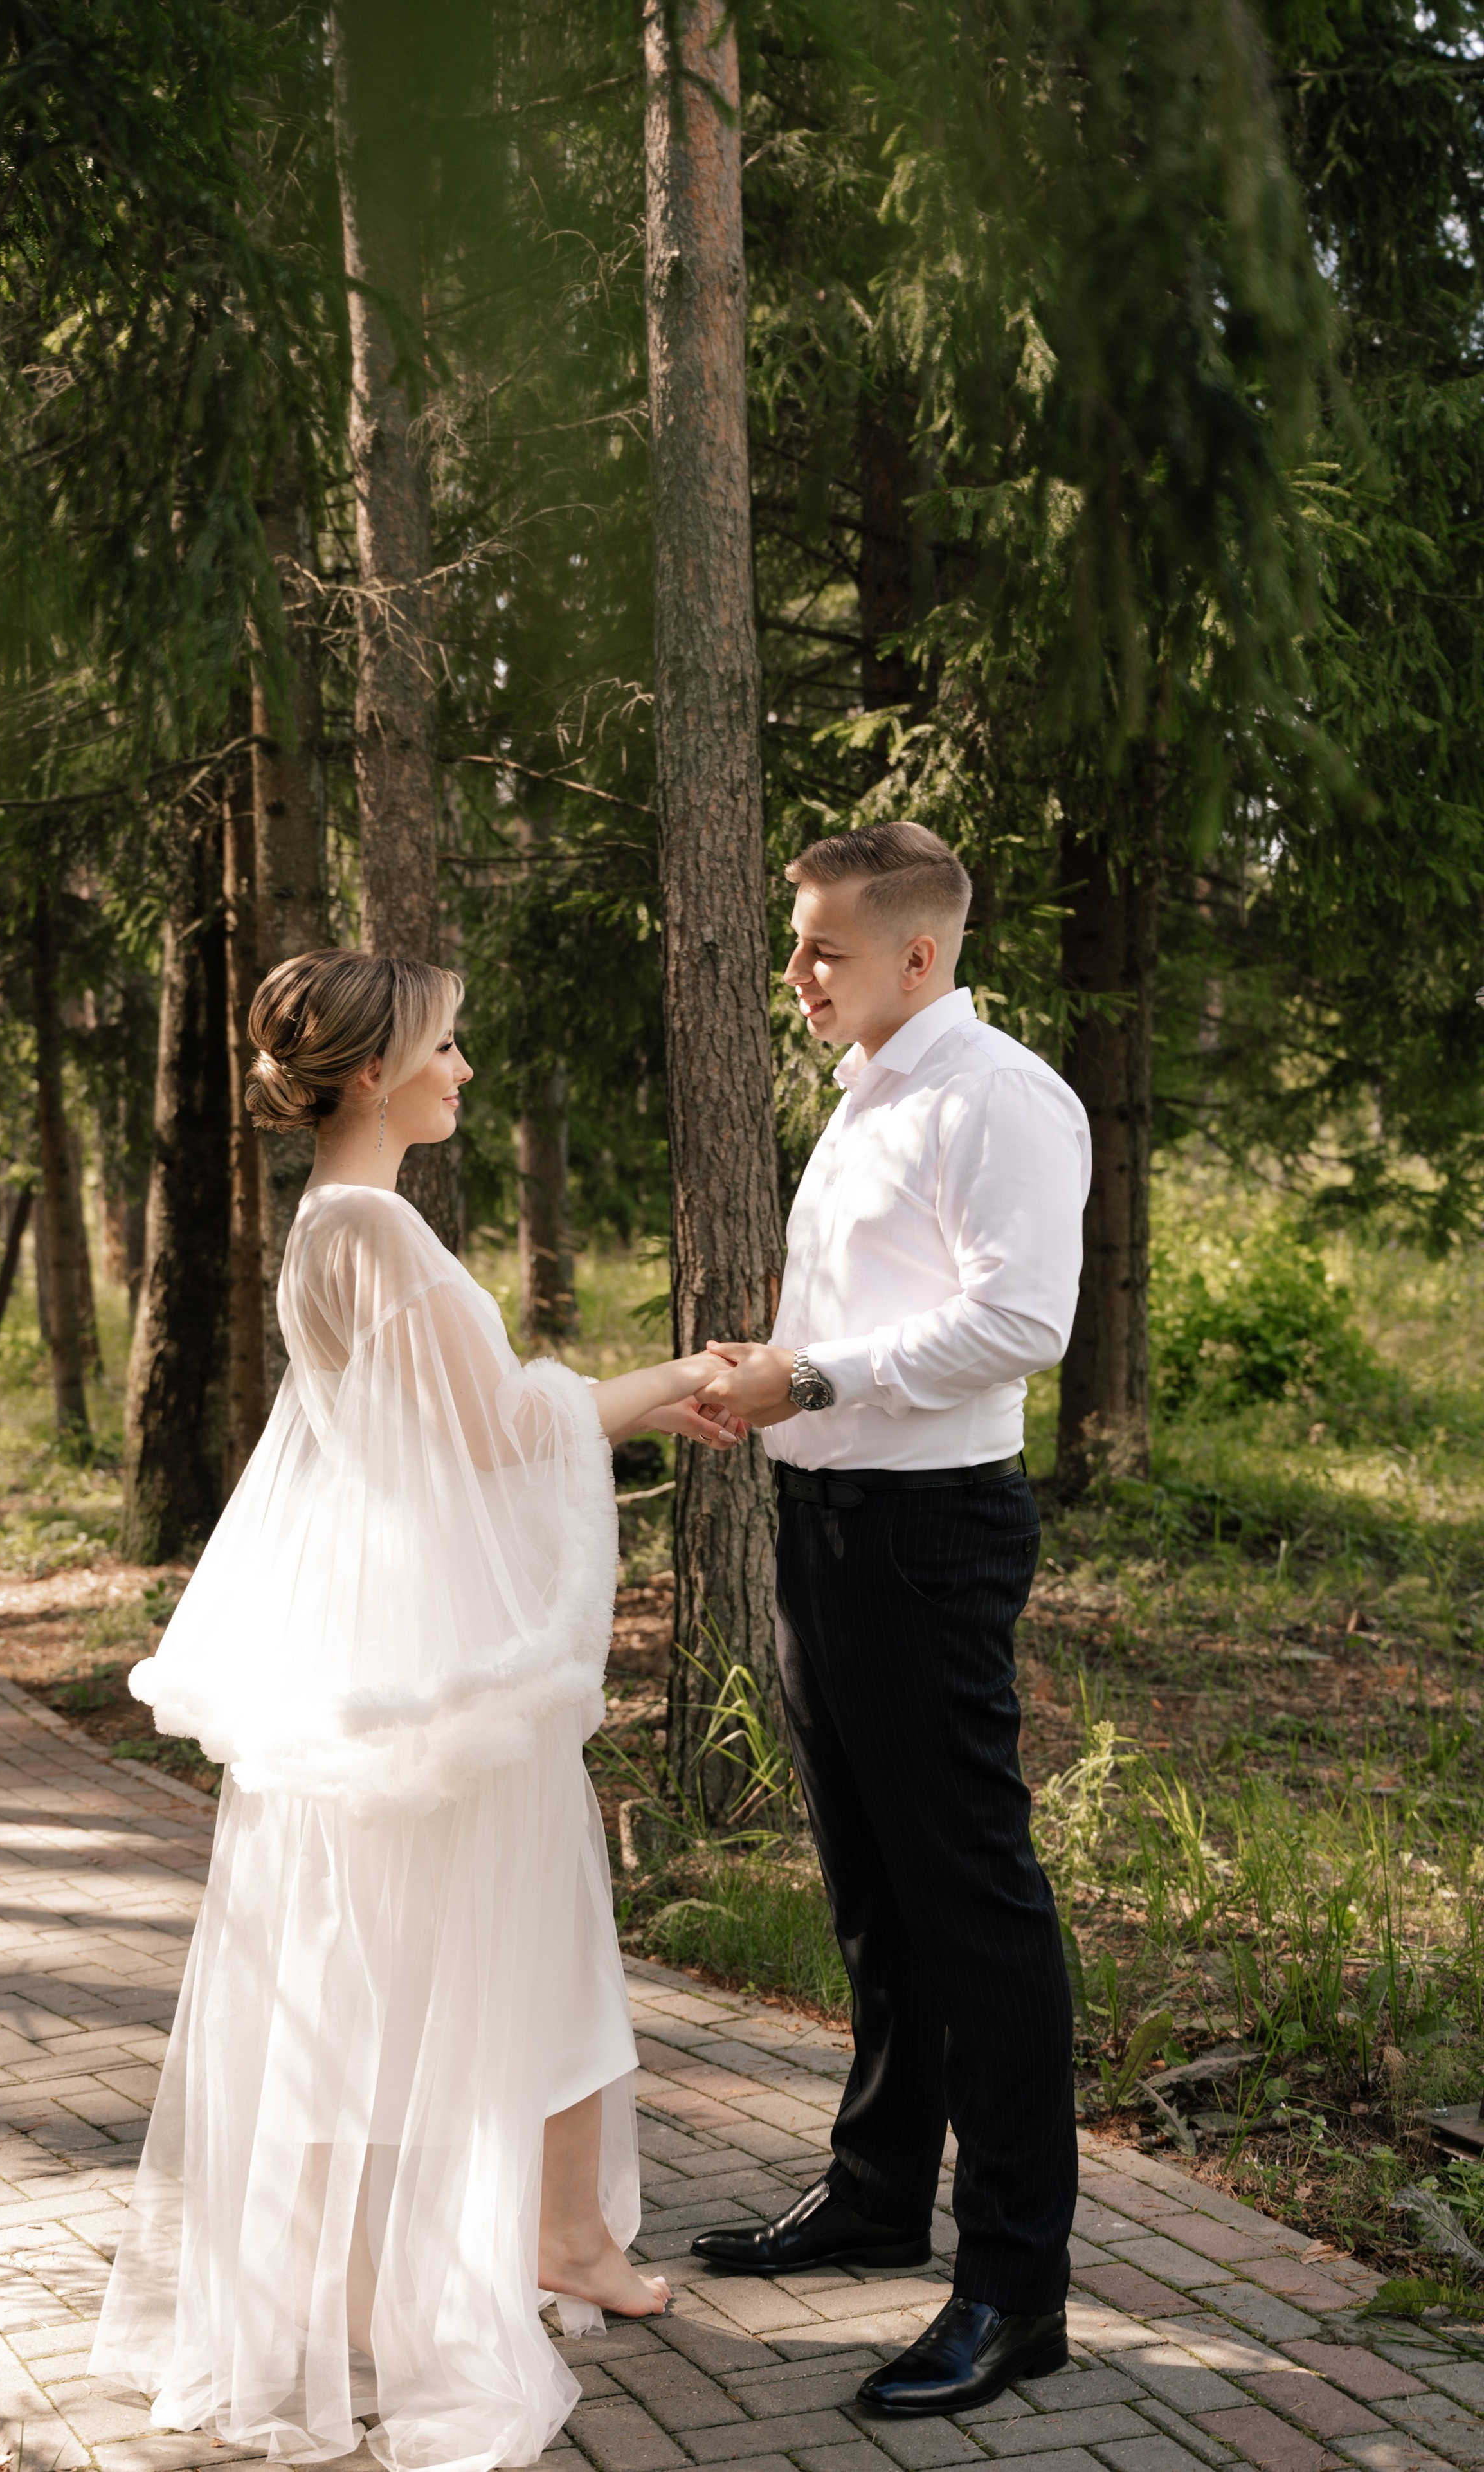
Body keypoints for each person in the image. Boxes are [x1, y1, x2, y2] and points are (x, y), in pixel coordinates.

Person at [90, 949, 741, 2472]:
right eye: (447, 1048)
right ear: (375, 1071)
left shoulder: (341, 1224)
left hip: (405, 1646)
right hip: (438, 1666)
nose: (465, 1071)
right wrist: (680, 1378)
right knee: (461, 1942)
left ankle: (517, 2238)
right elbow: (497, 1432)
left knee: (415, 1948)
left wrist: (646, 1395)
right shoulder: (370, 1228)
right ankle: (466, 2260)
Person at [694, 823, 1092, 2419]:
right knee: (874, 1894)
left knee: (971, 1906)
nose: (795, 972)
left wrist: (817, 1374)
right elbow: (877, 1310)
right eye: (796, 942)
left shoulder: (992, 1095)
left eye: (823, 948)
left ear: (916, 954)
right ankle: (875, 2193)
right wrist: (785, 1366)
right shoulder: (873, 1086)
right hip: (825, 1531)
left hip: (925, 1544)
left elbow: (1021, 1319)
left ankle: (1012, 2285)